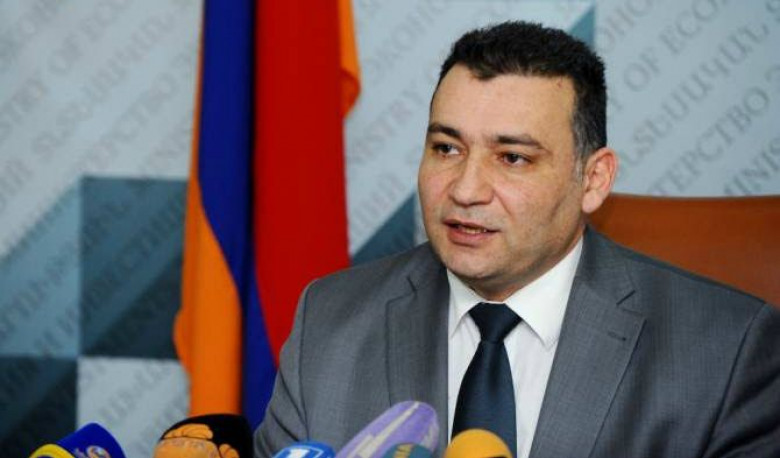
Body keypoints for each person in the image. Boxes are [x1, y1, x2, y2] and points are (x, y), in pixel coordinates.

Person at [254, 21, 780, 458]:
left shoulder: (727, 351)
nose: (465, 190)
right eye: (446, 148)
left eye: (512, 158)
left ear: (593, 179)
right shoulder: (330, 321)